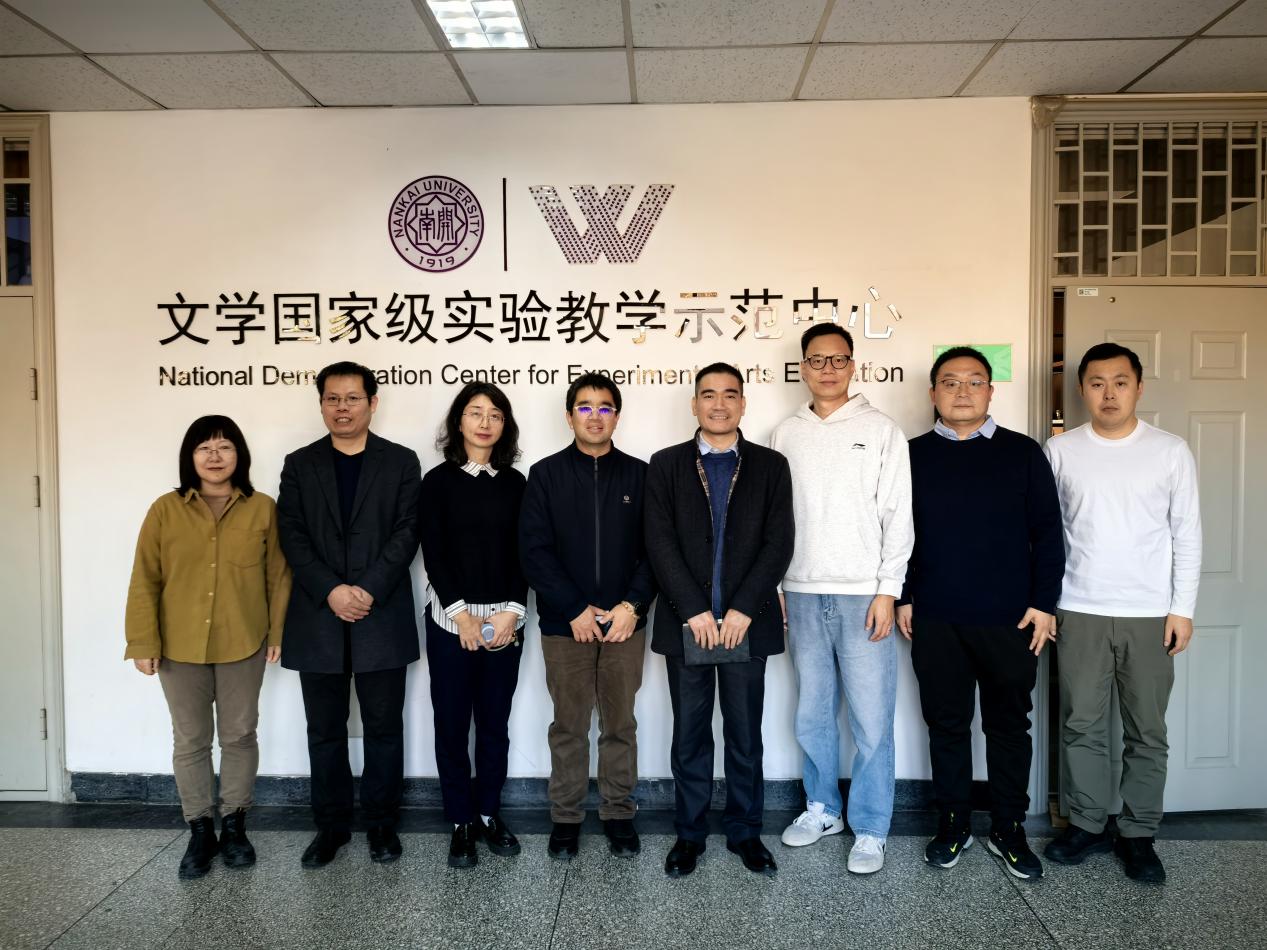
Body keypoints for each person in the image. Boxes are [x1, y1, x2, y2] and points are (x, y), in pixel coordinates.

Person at [897, 346, 1064, 880]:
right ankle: (953, 823)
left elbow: (1048, 533)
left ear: (991, 391)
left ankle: (1008, 827)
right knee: (946, 725)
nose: (962, 391)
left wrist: (1043, 603)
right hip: (935, 617)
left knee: (1008, 726)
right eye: (950, 382)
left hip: (1010, 620)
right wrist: (903, 596)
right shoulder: (910, 454)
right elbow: (896, 533)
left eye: (974, 381)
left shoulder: (1023, 453)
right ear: (933, 393)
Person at [1043, 342, 1201, 884]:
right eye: (1096, 383)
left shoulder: (1170, 451)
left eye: (1120, 382)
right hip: (1079, 608)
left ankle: (1138, 833)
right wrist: (1047, 603)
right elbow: (1047, 534)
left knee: (1147, 731)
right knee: (1081, 725)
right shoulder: (1060, 450)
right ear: (1081, 389)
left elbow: (1187, 534)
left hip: (1150, 613)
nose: (1108, 394)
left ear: (1138, 387)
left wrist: (1182, 608)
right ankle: (1087, 824)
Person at [769, 324, 912, 875]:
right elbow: (774, 521)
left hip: (863, 597)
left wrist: (888, 590)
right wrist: (777, 586)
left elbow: (898, 515)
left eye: (837, 359)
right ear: (802, 367)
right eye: (816, 360)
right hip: (801, 593)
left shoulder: (882, 430)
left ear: (853, 366)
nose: (827, 369)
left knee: (872, 720)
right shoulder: (786, 433)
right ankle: (822, 808)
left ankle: (871, 827)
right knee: (813, 713)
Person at [644, 362, 794, 878]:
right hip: (687, 623)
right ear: (694, 404)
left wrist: (743, 608)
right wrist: (693, 608)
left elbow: (779, 542)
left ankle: (745, 831)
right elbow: (658, 541)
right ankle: (689, 835)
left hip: (745, 624)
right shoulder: (665, 464)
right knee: (689, 735)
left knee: (744, 734)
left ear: (743, 404)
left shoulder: (771, 466)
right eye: (708, 394)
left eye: (730, 394)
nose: (719, 404)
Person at [125, 415, 291, 879]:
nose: (215, 456)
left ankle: (234, 827)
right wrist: (143, 641)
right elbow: (145, 578)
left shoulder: (262, 508)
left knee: (239, 735)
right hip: (178, 645)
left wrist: (277, 634)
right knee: (191, 739)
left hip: (245, 641)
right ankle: (200, 830)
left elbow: (278, 577)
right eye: (204, 448)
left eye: (224, 447)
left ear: (240, 455)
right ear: (190, 457)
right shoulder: (165, 510)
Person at [277, 361, 422, 868]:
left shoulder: (401, 461)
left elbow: (408, 531)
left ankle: (382, 824)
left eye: (353, 398)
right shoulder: (299, 464)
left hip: (381, 615)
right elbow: (291, 534)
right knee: (324, 731)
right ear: (321, 404)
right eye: (333, 399)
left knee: (384, 727)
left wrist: (367, 589)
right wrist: (332, 590)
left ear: (372, 403)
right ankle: (331, 826)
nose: (343, 408)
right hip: (318, 617)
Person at [520, 373, 657, 861]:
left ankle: (619, 812)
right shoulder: (545, 474)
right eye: (584, 407)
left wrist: (631, 606)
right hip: (565, 626)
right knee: (569, 726)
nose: (594, 416)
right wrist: (573, 608)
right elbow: (534, 551)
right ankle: (566, 817)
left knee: (620, 724)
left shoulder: (641, 475)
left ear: (617, 416)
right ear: (569, 415)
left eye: (604, 407)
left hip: (625, 624)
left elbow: (656, 550)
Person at [418, 382, 528, 869]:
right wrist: (461, 615)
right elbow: (435, 553)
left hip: (505, 621)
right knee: (450, 723)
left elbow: (526, 552)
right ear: (458, 421)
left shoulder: (516, 483)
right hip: (450, 621)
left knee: (494, 724)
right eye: (475, 412)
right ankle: (460, 819)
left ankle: (487, 812)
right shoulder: (437, 482)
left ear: (505, 425)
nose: (485, 422)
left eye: (495, 415)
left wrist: (512, 611)